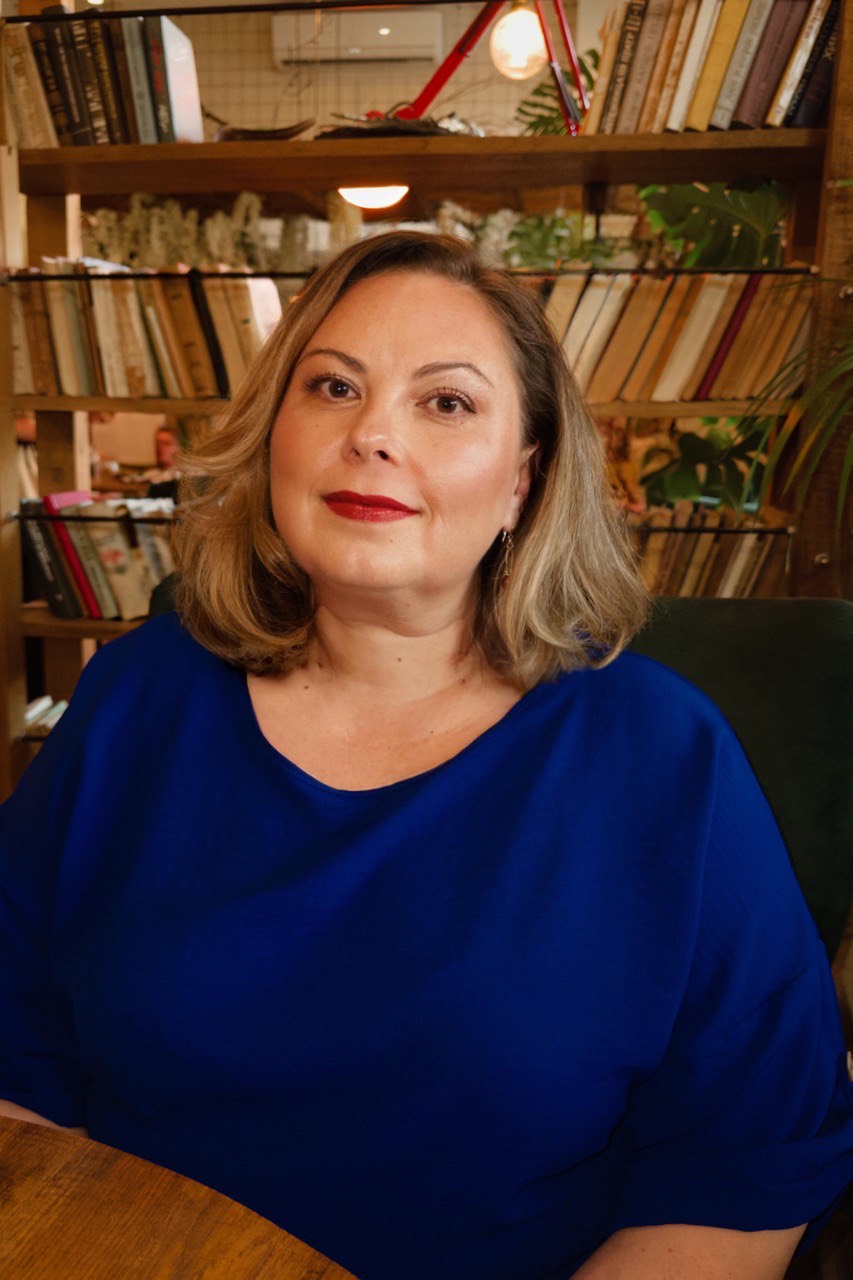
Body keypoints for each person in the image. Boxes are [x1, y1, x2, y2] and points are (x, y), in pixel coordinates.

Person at [0, 231, 851, 1280]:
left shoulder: (665, 758)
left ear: (524, 480)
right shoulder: (136, 694)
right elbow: (14, 1053)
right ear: (273, 437)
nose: (371, 435)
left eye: (445, 402)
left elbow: (744, 1171)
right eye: (332, 386)